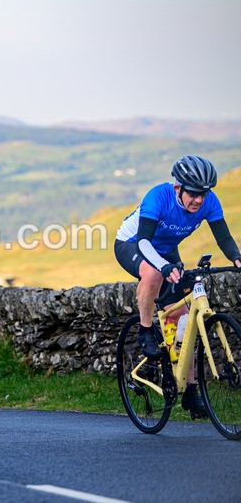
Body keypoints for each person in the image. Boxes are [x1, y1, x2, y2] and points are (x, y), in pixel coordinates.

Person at [115, 155, 241, 418]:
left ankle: (191, 390)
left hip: (166, 249)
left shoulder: (209, 202)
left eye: (203, 194)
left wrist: (237, 258)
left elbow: (224, 237)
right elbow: (144, 242)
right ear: (177, 188)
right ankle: (145, 331)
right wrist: (163, 267)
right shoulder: (158, 197)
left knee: (184, 317)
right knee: (153, 275)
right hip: (133, 243)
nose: (199, 200)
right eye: (193, 194)